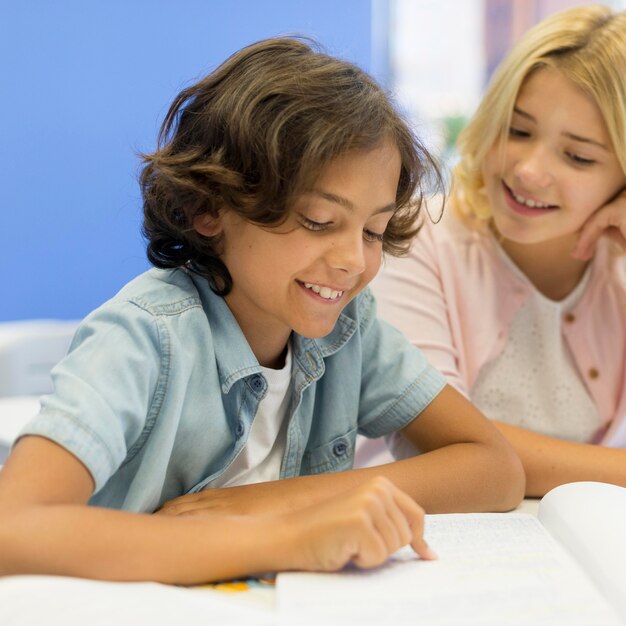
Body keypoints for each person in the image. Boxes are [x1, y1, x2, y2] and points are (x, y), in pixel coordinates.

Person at [0, 38, 523, 584]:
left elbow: (494, 466)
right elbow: (12, 530)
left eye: (373, 230)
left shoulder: (349, 329)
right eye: (319, 221)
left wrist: (279, 502)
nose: (352, 261)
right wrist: (294, 535)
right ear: (209, 207)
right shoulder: (141, 339)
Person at [367, 5, 626, 497]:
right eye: (518, 129)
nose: (528, 169)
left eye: (578, 156)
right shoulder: (414, 235)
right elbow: (442, 443)